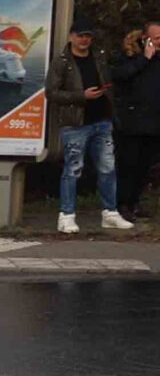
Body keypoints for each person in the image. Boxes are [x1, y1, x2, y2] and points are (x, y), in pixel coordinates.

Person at [50, 24, 133, 233]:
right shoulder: (62, 62)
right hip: (75, 123)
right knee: (73, 169)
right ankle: (66, 215)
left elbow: (110, 79)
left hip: (102, 120)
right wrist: (81, 96)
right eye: (80, 36)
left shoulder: (99, 57)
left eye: (88, 36)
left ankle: (110, 212)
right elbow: (51, 93)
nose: (84, 40)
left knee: (107, 168)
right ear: (71, 37)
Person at [111, 23, 160, 217]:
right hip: (132, 122)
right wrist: (144, 59)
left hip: (154, 122)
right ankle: (121, 203)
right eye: (156, 38)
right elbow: (119, 76)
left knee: (144, 166)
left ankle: (134, 203)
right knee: (128, 164)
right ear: (145, 39)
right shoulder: (130, 57)